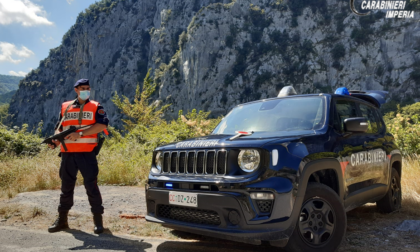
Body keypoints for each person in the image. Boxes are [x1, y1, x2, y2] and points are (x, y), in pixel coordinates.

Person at [47, 79, 109, 234]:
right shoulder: (65, 106)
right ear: (76, 89)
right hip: (67, 154)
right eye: (83, 88)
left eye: (88, 88)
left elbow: (102, 125)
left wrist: (80, 133)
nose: (86, 90)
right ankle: (62, 221)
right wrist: (55, 141)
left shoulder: (96, 106)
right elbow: (59, 128)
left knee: (91, 187)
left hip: (87, 154)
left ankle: (98, 222)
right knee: (66, 188)